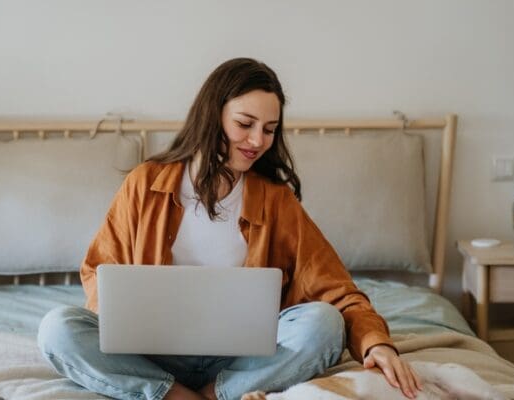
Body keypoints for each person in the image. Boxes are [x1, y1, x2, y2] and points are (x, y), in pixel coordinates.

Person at [37, 58, 421, 400]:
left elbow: (336, 291)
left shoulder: (276, 200)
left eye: (269, 129)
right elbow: (99, 271)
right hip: (150, 353)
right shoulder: (145, 183)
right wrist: (123, 325)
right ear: (212, 114)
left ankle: (211, 394)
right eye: (244, 124)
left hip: (242, 359)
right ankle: (172, 394)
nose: (257, 141)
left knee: (324, 323)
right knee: (57, 329)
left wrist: (376, 345)